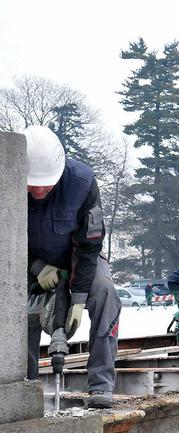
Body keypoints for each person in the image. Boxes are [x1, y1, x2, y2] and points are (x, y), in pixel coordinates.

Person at [24, 126, 121, 409]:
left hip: (81, 259)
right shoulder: (6, 176)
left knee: (105, 293)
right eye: (32, 184)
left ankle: (101, 385)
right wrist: (37, 267)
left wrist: (77, 299)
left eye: (46, 184)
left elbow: (89, 244)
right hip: (26, 263)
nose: (39, 190)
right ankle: (25, 389)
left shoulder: (82, 182)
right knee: (17, 307)